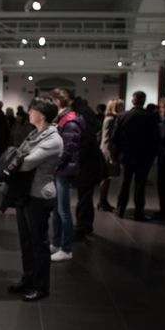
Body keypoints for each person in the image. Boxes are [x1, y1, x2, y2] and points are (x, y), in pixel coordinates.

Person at [7, 97, 63, 301]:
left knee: (38, 243)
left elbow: (25, 163)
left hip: (39, 195)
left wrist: (15, 159)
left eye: (33, 109)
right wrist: (16, 158)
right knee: (26, 241)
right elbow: (17, 154)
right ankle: (28, 279)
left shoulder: (54, 139)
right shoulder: (34, 133)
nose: (29, 112)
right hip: (25, 193)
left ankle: (41, 287)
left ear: (43, 114)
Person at [111, 91, 160, 220]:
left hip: (126, 155)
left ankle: (120, 209)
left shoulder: (122, 116)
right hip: (144, 157)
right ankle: (139, 212)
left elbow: (115, 138)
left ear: (133, 101)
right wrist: (152, 155)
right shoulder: (150, 117)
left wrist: (115, 154)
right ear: (144, 101)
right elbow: (155, 138)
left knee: (124, 183)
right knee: (140, 185)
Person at [49, 88, 82, 262]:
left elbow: (68, 149)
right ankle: (57, 243)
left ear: (57, 102)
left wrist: (56, 164)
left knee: (63, 210)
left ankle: (66, 248)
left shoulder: (69, 121)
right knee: (57, 209)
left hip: (63, 170)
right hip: (60, 169)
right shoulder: (64, 119)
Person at [72, 97, 104, 239]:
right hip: (89, 161)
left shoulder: (82, 114)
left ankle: (82, 227)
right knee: (85, 196)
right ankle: (85, 225)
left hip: (86, 163)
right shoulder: (86, 113)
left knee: (84, 196)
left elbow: (85, 141)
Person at [98, 99, 124, 211]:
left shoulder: (109, 118)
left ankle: (102, 202)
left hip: (106, 150)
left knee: (106, 178)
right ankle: (102, 202)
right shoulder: (111, 119)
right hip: (107, 151)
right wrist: (111, 155)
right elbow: (108, 139)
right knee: (106, 177)